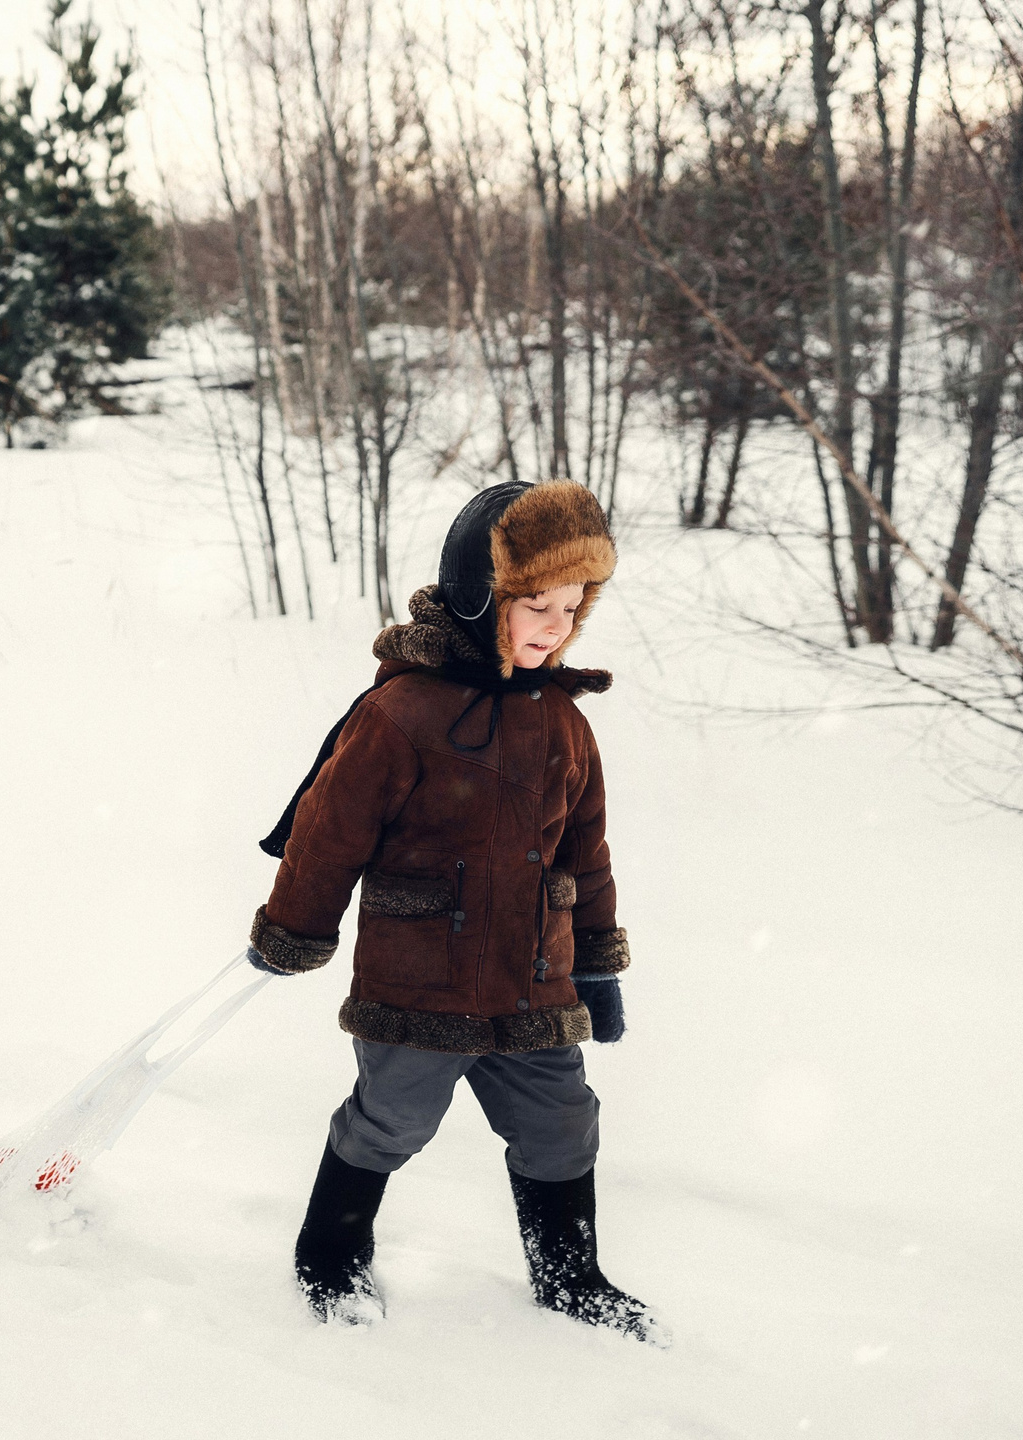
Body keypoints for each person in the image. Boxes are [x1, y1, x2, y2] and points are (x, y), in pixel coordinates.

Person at [247, 480, 661, 1343]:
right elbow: (329, 833)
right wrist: (296, 929)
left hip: (535, 982)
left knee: (563, 1124)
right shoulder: (404, 713)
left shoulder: (565, 722)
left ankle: (569, 1274)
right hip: (421, 977)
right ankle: (329, 1257)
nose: (555, 624)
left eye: (573, 607)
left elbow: (586, 852)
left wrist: (594, 965)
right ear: (482, 597)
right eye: (534, 604)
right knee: (391, 1120)